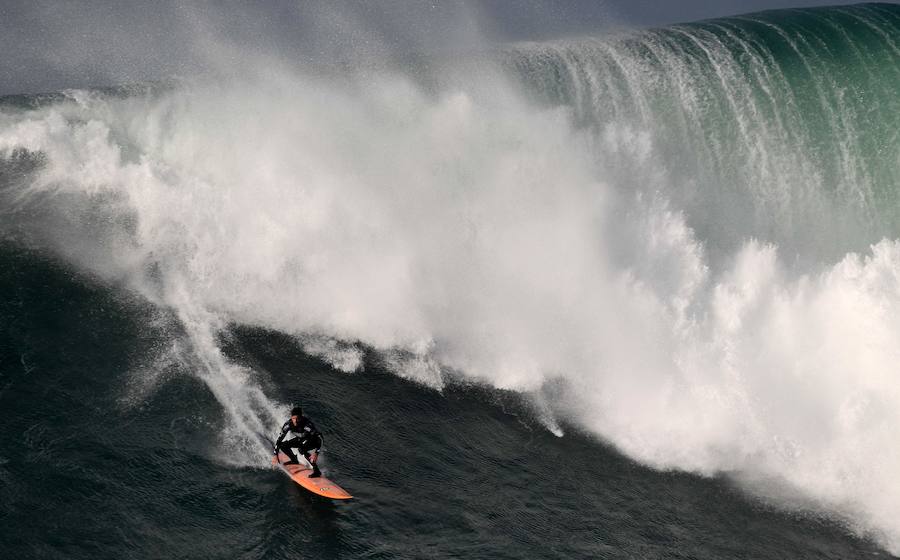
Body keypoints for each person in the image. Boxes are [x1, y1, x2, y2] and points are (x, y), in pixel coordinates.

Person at [274, 406, 323, 477]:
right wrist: (275, 455)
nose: (295, 421)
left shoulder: (307, 425)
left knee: (302, 449)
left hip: (313, 440)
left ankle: (317, 471)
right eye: (293, 418)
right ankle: (294, 460)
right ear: (291, 417)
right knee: (283, 445)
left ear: (301, 417)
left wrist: (316, 453)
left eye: (298, 418)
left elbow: (320, 438)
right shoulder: (288, 425)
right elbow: (279, 440)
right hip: (301, 439)